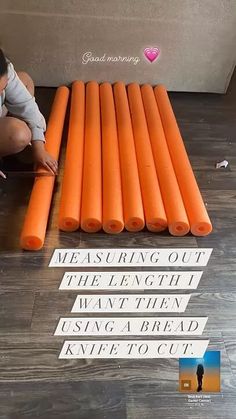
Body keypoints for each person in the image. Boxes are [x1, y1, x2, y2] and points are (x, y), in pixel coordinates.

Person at [0, 48, 58, 179]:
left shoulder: (5, 69)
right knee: (20, 134)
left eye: (2, 88)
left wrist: (39, 148)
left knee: (24, 80)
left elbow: (28, 107)